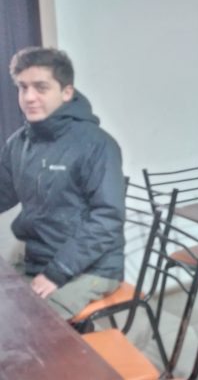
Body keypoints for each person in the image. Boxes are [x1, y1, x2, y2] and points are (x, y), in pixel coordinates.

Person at [0, 47, 125, 322]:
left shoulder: (97, 144)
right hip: (39, 256)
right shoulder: (19, 143)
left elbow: (107, 220)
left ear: (66, 92)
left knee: (34, 326)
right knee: (8, 312)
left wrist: (57, 272)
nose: (29, 97)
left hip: (92, 267)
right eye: (23, 87)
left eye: (41, 87)